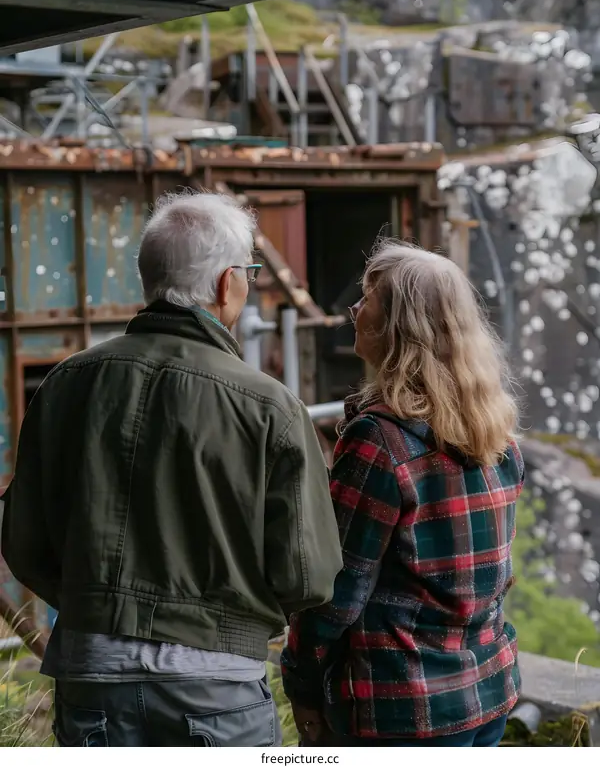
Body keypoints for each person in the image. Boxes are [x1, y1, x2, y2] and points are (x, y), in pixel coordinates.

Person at [1, 190, 342, 747]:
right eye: (251, 273)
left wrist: (95, 603)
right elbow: (308, 573)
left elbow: (24, 540)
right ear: (228, 282)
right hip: (216, 685)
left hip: (91, 671)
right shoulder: (268, 405)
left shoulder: (66, 384)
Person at [281, 239, 524, 747]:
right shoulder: (497, 433)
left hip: (403, 710)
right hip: (488, 693)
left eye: (367, 297)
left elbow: (335, 591)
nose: (352, 309)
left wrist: (300, 682)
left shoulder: (378, 442)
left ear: (398, 324)